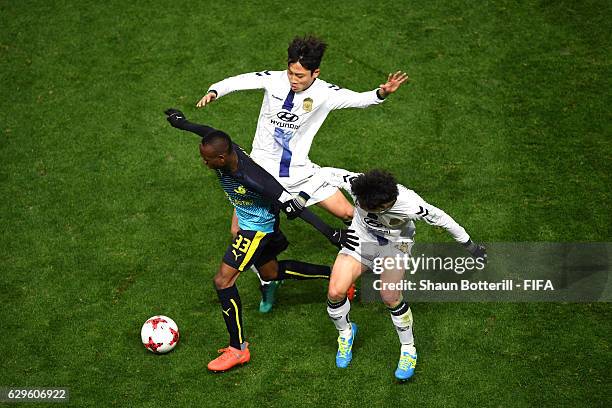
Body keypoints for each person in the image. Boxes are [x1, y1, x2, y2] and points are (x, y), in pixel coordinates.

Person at [196, 35, 408, 309]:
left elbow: (358, 100)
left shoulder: (325, 93)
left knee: (347, 214)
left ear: (315, 73)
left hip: (300, 174)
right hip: (259, 174)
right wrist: (215, 91)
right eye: (290, 72)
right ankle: (269, 279)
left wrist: (381, 93)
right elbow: (240, 81)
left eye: (300, 75)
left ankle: (380, 256)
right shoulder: (274, 80)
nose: (293, 79)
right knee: (238, 231)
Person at [164, 109, 358, 372]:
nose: (204, 163)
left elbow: (293, 206)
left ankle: (237, 349)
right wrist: (182, 123)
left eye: (208, 160)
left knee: (223, 281)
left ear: (222, 157)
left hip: (256, 230)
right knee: (272, 271)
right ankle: (339, 279)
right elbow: (207, 130)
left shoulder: (252, 177)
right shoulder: (225, 149)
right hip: (253, 222)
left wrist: (331, 233)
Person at [292, 167, 487, 380]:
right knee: (335, 292)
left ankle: (408, 349)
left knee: (390, 296)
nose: (363, 209)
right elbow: (323, 173)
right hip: (361, 240)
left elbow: (444, 220)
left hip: (397, 244)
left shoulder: (411, 205)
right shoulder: (358, 184)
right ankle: (346, 333)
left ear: (386, 205)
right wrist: (302, 198)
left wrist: (472, 247)